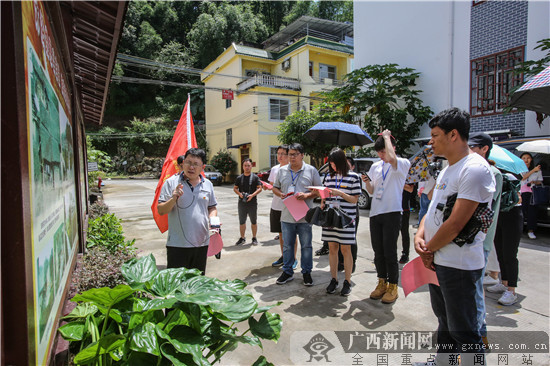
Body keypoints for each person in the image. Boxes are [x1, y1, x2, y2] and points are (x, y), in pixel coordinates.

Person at [414, 108, 495, 365]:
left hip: (458, 265)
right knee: (445, 323)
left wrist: (428, 251)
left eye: (435, 135)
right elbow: (433, 210)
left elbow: (456, 224)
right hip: (440, 260)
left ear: (453, 135)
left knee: (464, 332)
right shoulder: (448, 168)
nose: (431, 141)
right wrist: (420, 234)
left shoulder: (474, 170)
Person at [362, 129, 410, 304]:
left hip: (392, 212)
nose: (381, 155)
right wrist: (367, 182)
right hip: (376, 213)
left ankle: (393, 286)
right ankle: (381, 282)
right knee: (378, 251)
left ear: (392, 148)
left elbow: (391, 158)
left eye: (383, 151)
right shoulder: (376, 166)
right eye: (379, 152)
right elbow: (373, 191)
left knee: (390, 251)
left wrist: (387, 136)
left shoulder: (402, 163)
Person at [157, 148, 218, 274]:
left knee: (196, 285)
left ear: (203, 167)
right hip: (177, 245)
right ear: (183, 163)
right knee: (176, 287)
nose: (191, 167)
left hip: (201, 243)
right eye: (188, 163)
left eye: (196, 164)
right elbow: (161, 210)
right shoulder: (171, 183)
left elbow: (212, 207)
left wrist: (214, 220)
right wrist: (174, 198)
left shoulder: (208, 184)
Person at [468, 132, 503, 344]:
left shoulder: (492, 173)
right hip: (470, 241)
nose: (469, 150)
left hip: (480, 239)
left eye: (473, 147)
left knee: (475, 291)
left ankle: (480, 335)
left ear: (484, 149)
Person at [273, 143, 321, 286]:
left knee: (306, 246)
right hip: (287, 216)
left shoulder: (311, 170)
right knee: (287, 245)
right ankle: (287, 271)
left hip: (305, 217)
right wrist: (280, 194)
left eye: (294, 154)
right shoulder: (282, 171)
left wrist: (306, 195)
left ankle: (306, 272)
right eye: (289, 154)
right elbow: (275, 187)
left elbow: (319, 191)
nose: (291, 157)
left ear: (302, 155)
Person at [321, 148, 361, 296]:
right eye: (330, 164)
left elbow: (354, 200)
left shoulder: (354, 177)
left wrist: (340, 193)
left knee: (346, 250)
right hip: (331, 218)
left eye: (334, 163)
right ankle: (334, 279)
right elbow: (324, 194)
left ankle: (347, 281)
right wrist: (323, 200)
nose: (332, 166)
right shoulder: (328, 177)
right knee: (332, 248)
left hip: (346, 219)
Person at [488, 173, 523, 305]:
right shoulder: (492, 175)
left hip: (513, 215)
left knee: (510, 254)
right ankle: (504, 282)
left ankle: (511, 290)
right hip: (499, 215)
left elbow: (517, 198)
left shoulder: (509, 176)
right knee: (500, 253)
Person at [265, 145, 298, 268]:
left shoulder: (293, 169)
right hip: (276, 206)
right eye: (278, 153)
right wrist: (267, 187)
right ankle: (284, 256)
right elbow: (273, 186)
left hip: (290, 206)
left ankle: (293, 258)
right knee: (281, 234)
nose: (280, 156)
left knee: (292, 234)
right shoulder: (274, 169)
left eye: (283, 153)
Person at [234, 158, 262, 246]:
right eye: (245, 166)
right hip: (242, 202)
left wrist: (252, 195)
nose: (247, 167)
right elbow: (235, 188)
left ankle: (254, 237)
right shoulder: (239, 178)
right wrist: (240, 194)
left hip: (252, 202)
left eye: (248, 166)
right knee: (242, 221)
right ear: (242, 167)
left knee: (253, 221)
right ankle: (242, 237)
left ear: (251, 166)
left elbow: (260, 188)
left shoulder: (255, 177)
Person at [519, 152, 542, 239]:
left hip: (532, 193)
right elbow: (523, 178)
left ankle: (531, 231)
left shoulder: (537, 170)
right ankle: (519, 230)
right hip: (521, 193)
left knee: (532, 213)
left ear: (531, 159)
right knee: (521, 212)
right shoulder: (519, 169)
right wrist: (533, 170)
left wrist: (534, 182)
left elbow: (540, 181)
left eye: (528, 158)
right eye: (524, 158)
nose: (526, 160)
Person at [399, 184, 414, 264]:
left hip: (404, 207)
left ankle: (405, 254)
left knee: (404, 231)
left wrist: (399, 181)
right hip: (393, 206)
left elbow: (410, 189)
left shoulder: (408, 176)